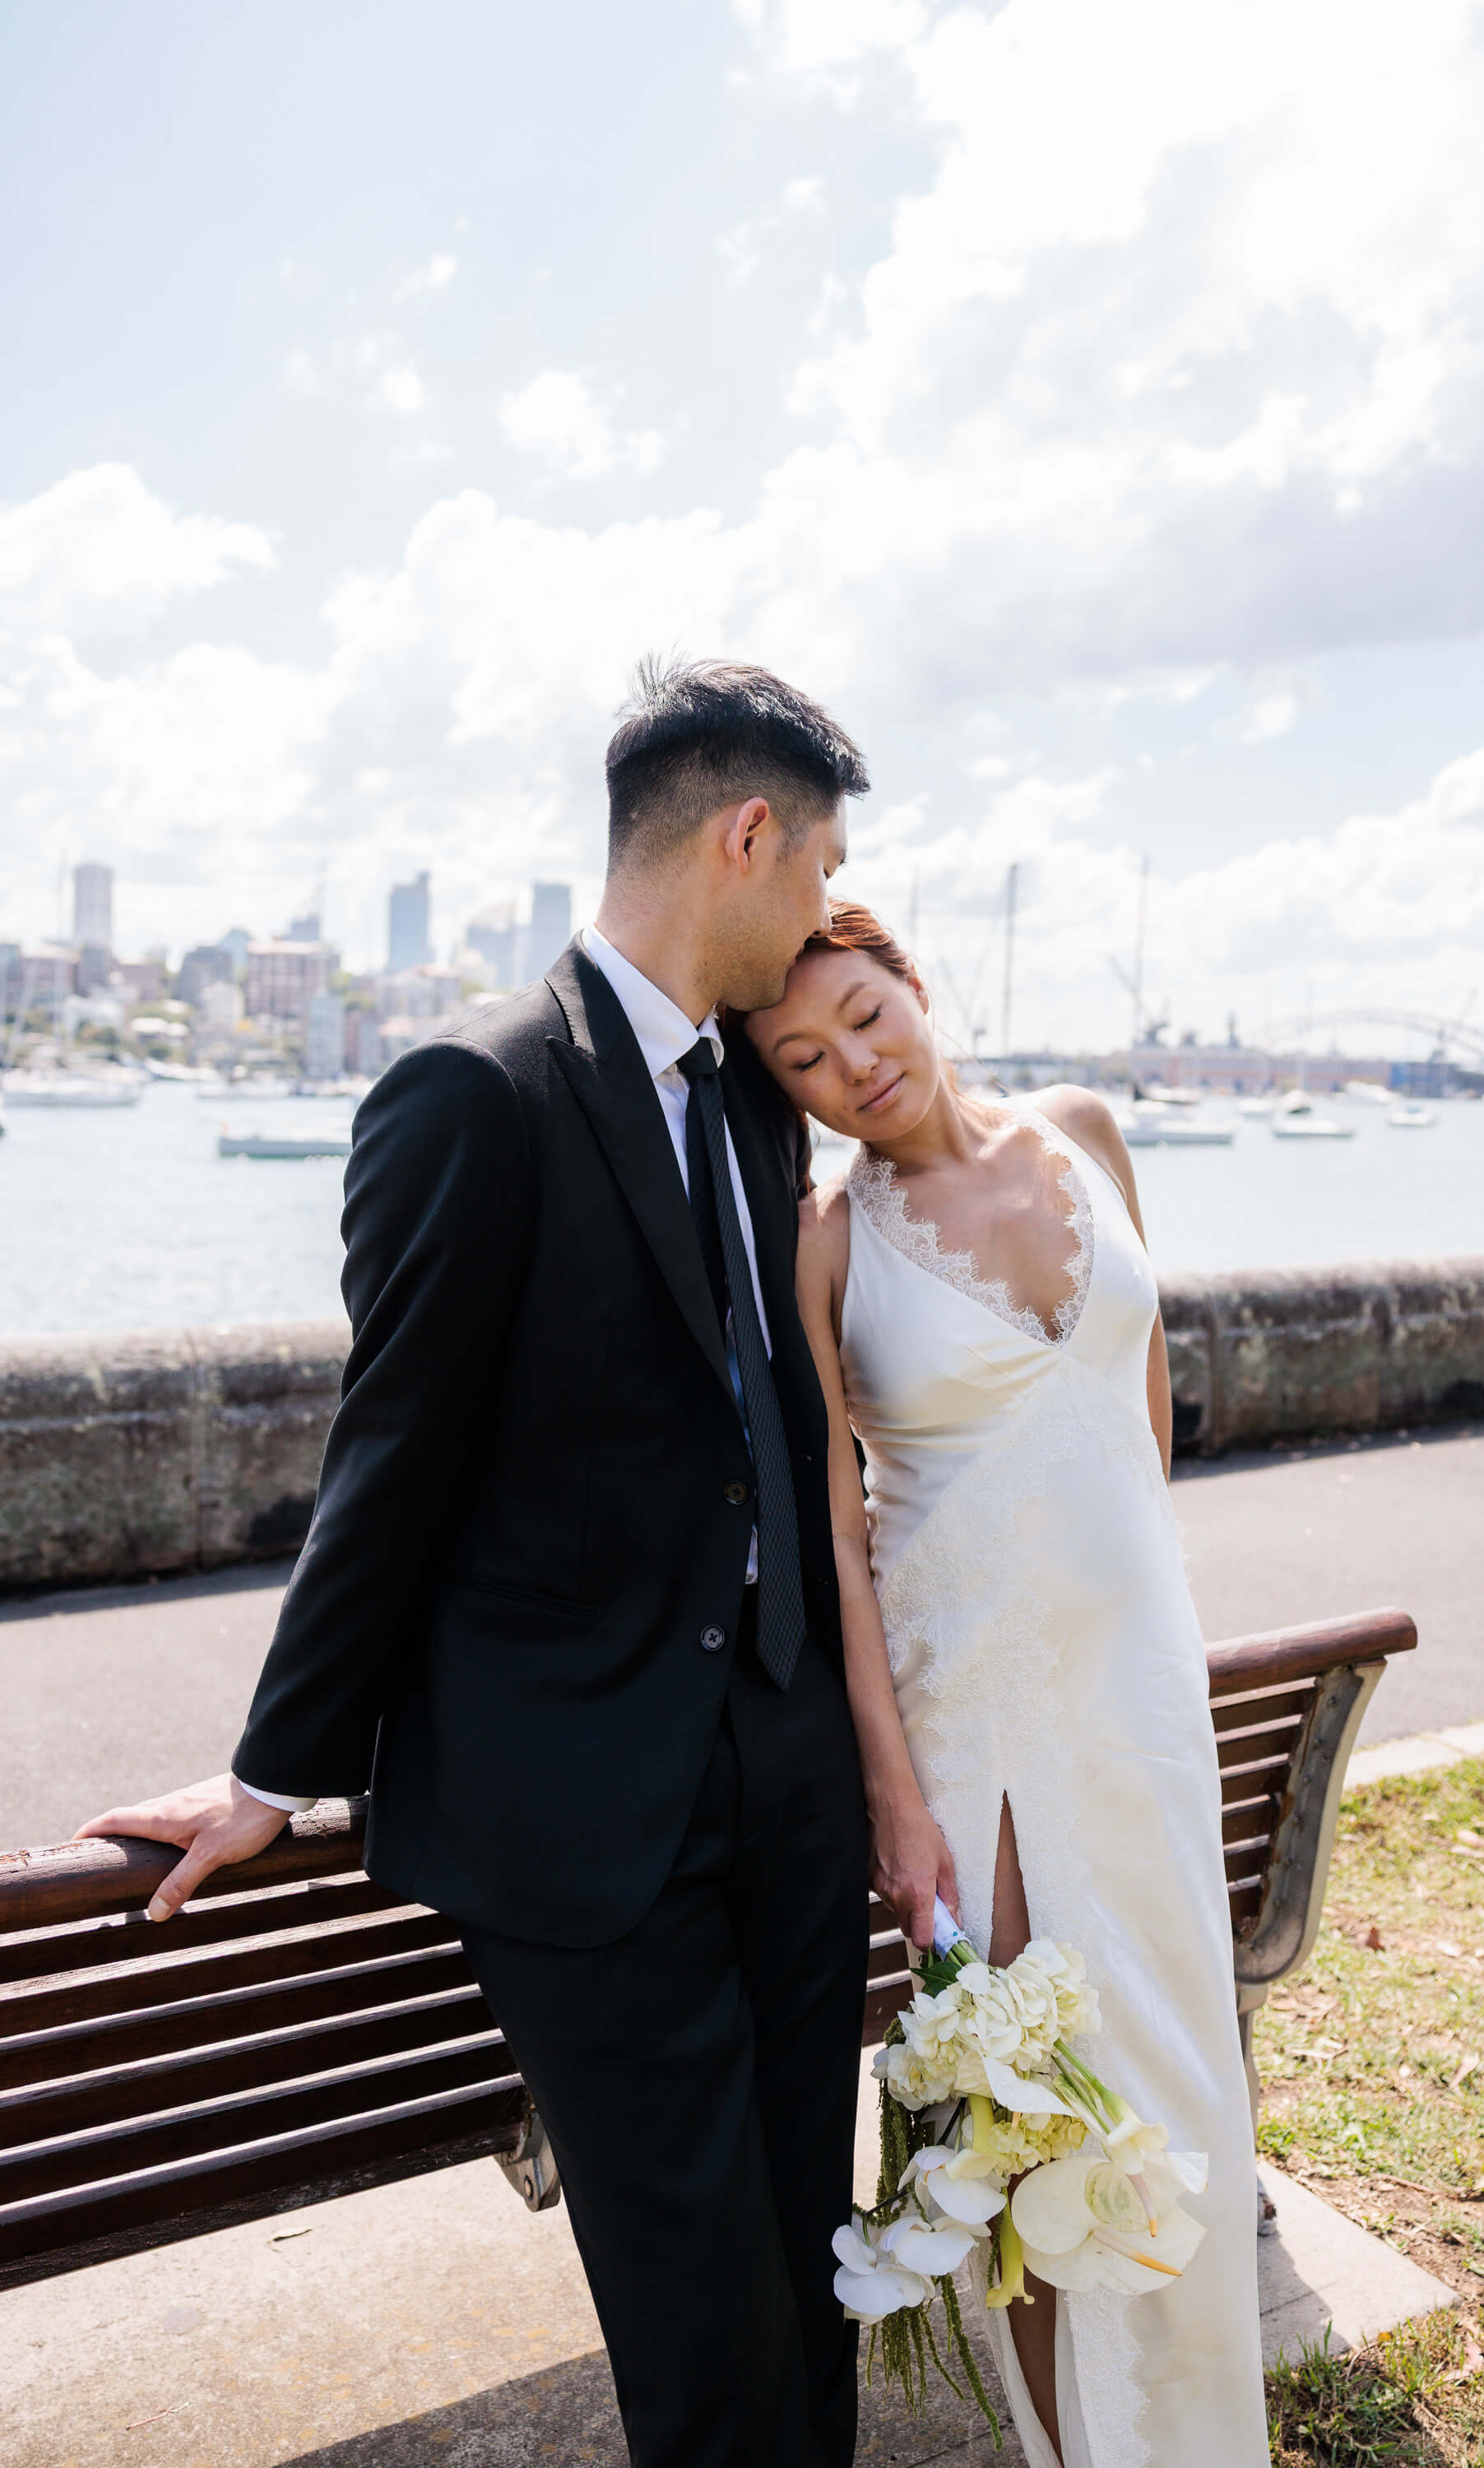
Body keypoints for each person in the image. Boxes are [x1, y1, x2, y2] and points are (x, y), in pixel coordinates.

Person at [75, 660, 876, 2468]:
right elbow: (395, 1453)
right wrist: (279, 1764)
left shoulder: (757, 1103)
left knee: (806, 2258)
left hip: (780, 1770)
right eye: (818, 866)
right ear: (748, 837)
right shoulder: (473, 1092)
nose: (824, 910)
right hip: (590, 1815)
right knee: (703, 2322)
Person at [744, 901, 1270, 2468]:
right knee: (1039, 2130)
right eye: (803, 1061)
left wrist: (1141, 1631)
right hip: (976, 1723)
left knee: (1179, 2090)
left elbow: (1139, 1417)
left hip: (1140, 1703)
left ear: (913, 985)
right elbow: (834, 1536)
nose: (852, 1066)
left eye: (862, 1016)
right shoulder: (824, 1243)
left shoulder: (1088, 1134)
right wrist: (899, 1803)